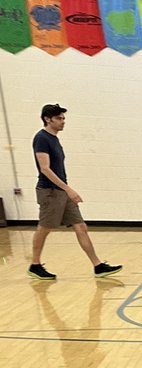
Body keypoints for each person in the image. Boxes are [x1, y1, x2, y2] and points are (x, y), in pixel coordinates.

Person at [28, 103, 122, 281]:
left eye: (64, 118)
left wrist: (66, 190)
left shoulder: (54, 139)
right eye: (59, 118)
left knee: (81, 227)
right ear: (48, 119)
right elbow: (45, 169)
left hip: (62, 190)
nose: (63, 122)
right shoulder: (42, 138)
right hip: (50, 191)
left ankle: (98, 266)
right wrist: (68, 189)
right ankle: (35, 264)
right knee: (45, 228)